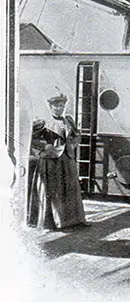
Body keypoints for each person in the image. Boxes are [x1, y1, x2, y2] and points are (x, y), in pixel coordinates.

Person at [27, 92, 88, 230]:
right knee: (52, 191)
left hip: (67, 160)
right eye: (56, 106)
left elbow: (77, 136)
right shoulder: (43, 123)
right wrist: (45, 147)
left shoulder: (68, 120)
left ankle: (71, 220)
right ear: (50, 106)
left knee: (69, 189)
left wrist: (71, 145)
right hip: (50, 160)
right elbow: (31, 139)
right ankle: (51, 222)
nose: (59, 108)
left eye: (61, 105)